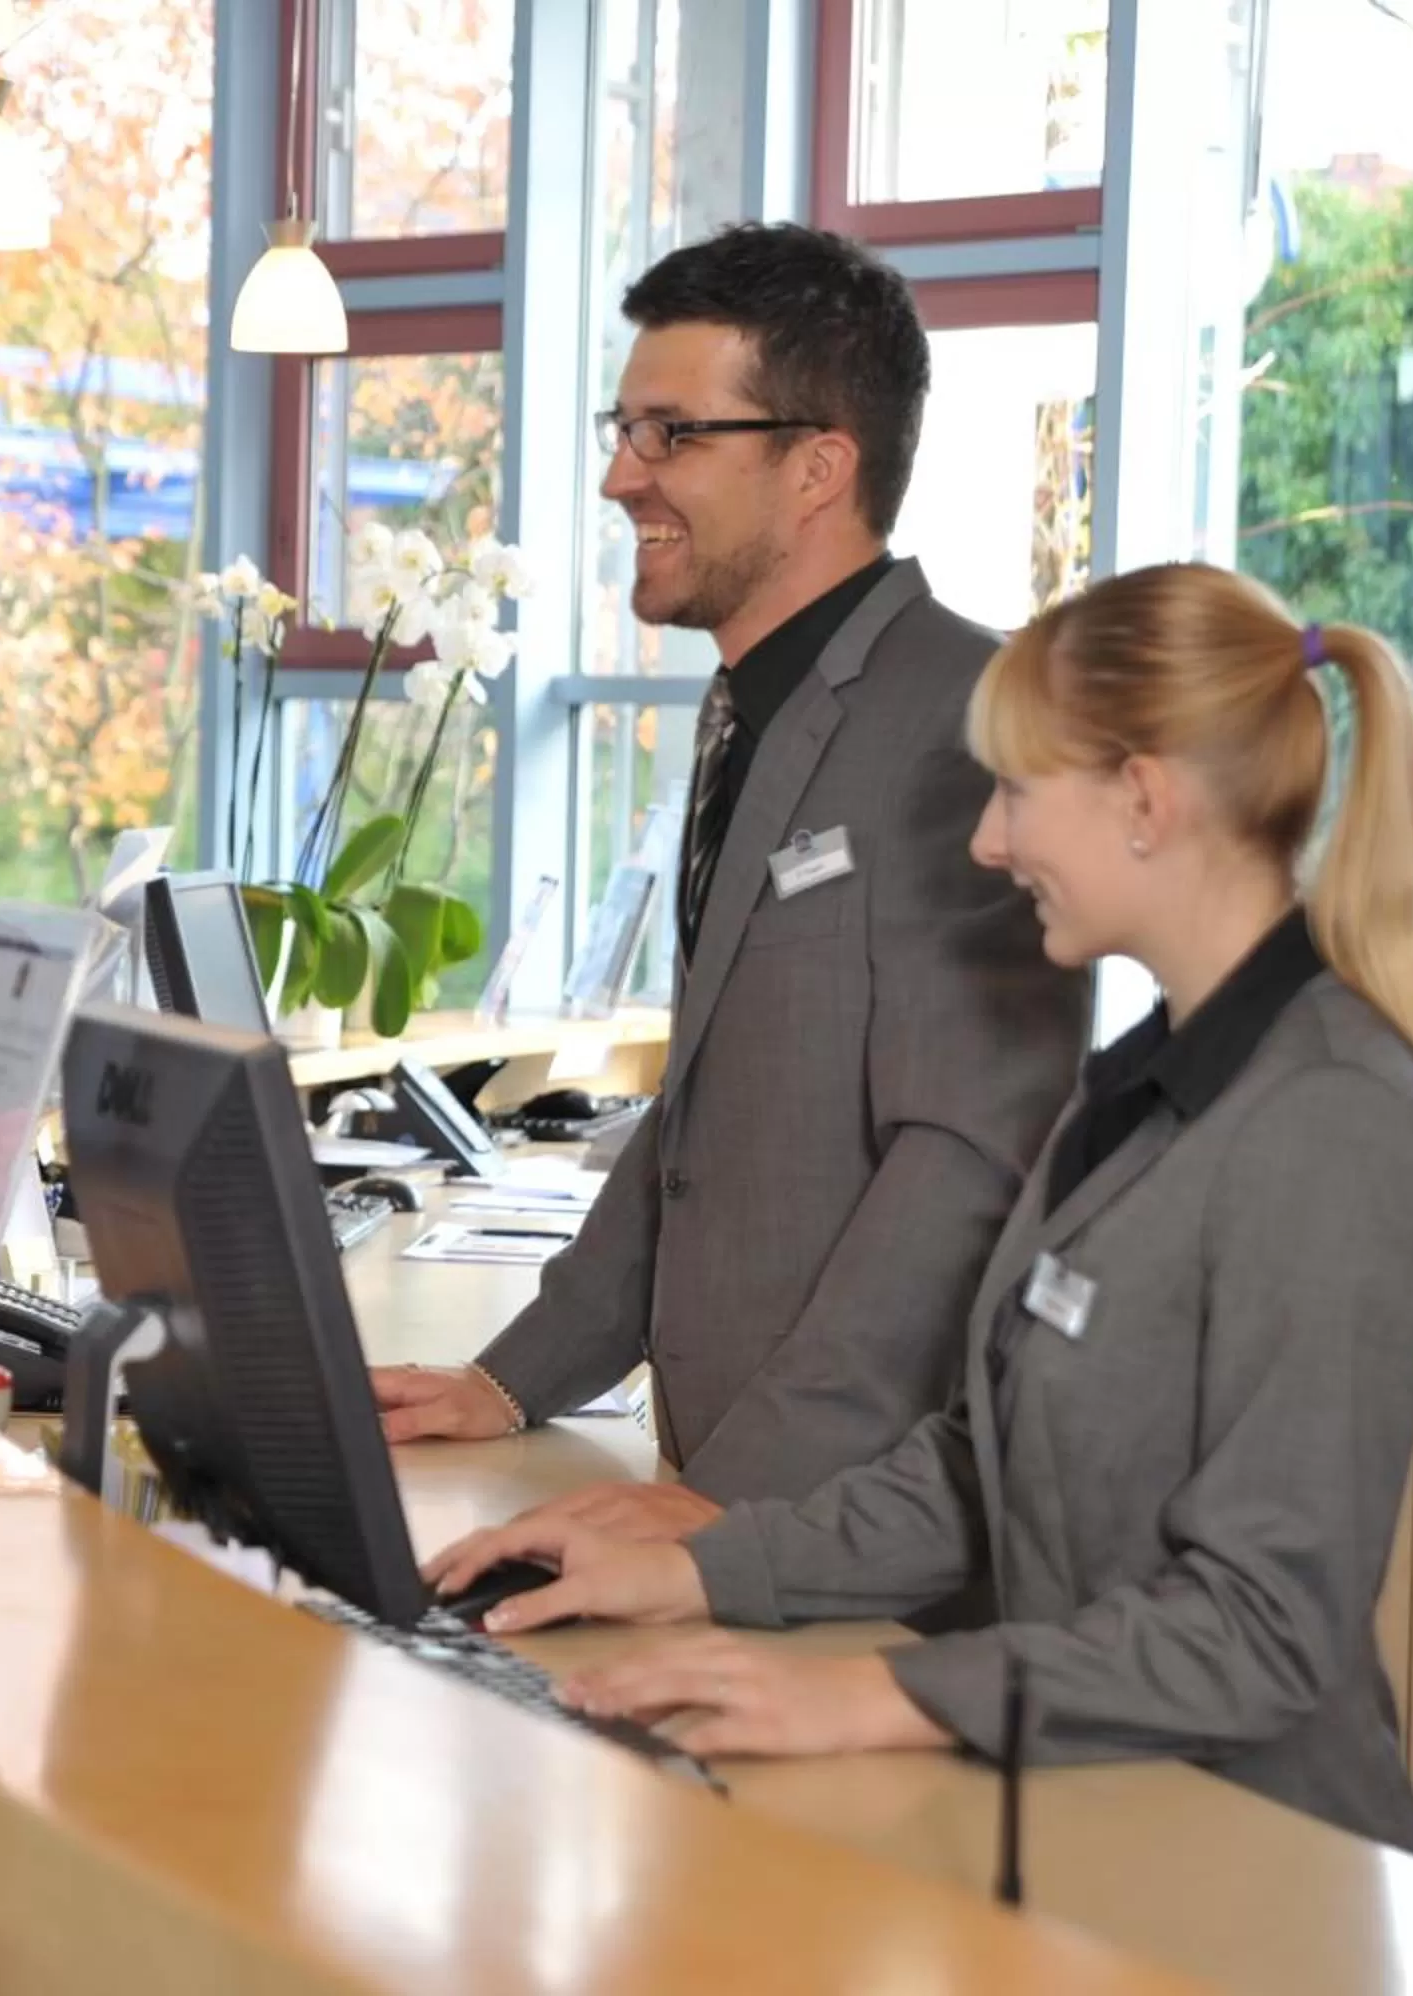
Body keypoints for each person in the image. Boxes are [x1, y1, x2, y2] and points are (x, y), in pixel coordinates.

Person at [424, 563, 1413, 1852]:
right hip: (1094, 1812)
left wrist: (883, 1692)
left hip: (1256, 1861)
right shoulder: (1138, 1091)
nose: (988, 842)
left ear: (1142, 799)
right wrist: (703, 1568)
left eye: (1018, 792)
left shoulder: (1331, 1124)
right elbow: (984, 1463)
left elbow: (1262, 1630)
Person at [373, 224, 1087, 1529]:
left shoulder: (970, 720)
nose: (617, 476)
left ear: (817, 467)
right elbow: (702, 1123)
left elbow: (965, 1163)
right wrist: (513, 1378)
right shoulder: (751, 706)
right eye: (624, 427)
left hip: (857, 1526)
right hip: (716, 1494)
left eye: (670, 435)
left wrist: (735, 1499)